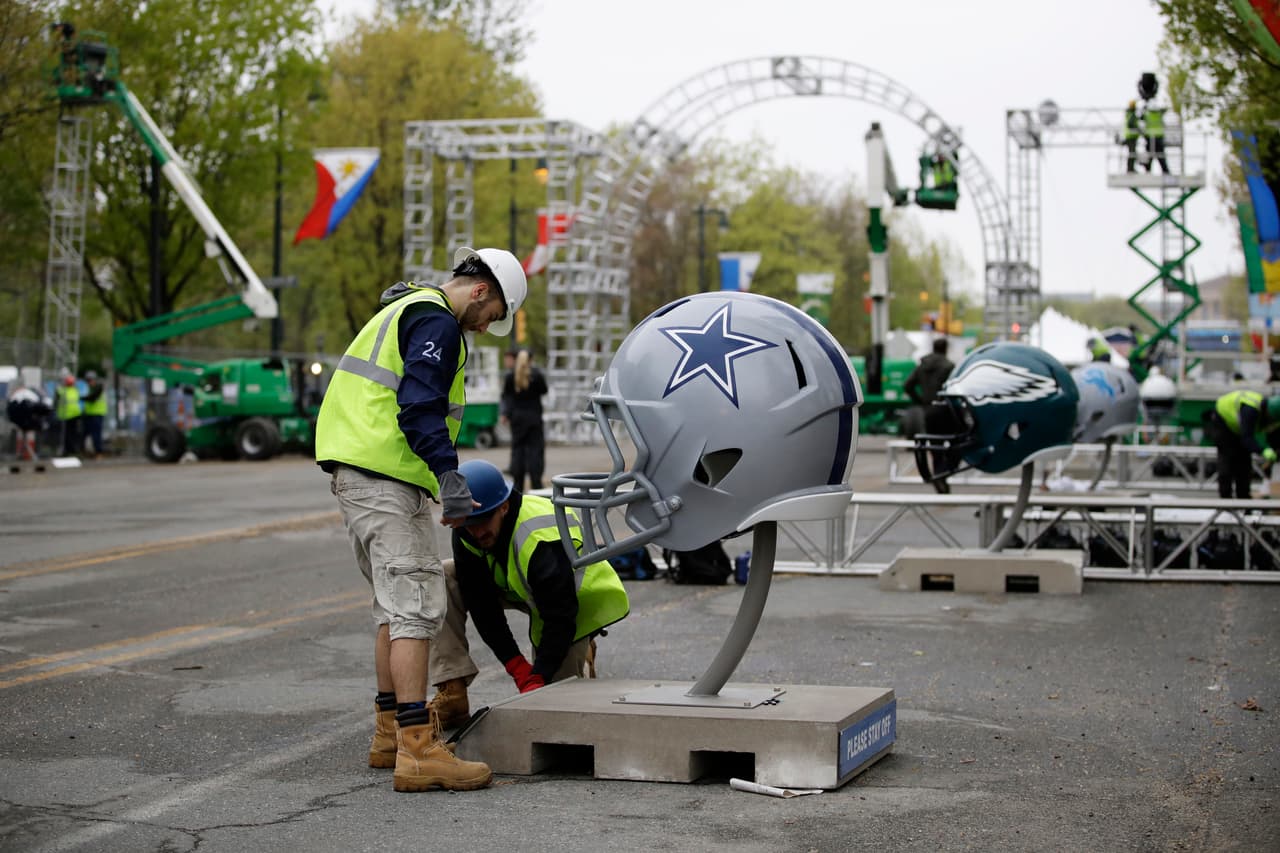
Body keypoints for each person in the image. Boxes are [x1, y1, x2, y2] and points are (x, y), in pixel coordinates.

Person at [314, 246, 527, 794]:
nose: (485, 327)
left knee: (392, 608)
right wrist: (448, 475)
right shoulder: (436, 321)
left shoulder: (404, 309)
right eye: (492, 315)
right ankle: (417, 749)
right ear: (480, 290)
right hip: (385, 477)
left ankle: (390, 733)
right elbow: (420, 406)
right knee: (414, 607)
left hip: (357, 471)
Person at [426, 459, 629, 729]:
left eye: (483, 522)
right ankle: (452, 690)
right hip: (517, 583)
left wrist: (540, 674)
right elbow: (482, 606)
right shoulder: (467, 528)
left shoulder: (541, 539)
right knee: (441, 576)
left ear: (504, 507)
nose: (476, 532)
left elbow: (559, 617)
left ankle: (582, 646)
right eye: (469, 523)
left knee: (555, 712)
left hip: (573, 599)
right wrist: (517, 667)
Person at [903, 337, 957, 493]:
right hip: (946, 410)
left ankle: (939, 476)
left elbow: (907, 385)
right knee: (956, 443)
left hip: (929, 411)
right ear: (945, 349)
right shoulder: (949, 366)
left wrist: (920, 401)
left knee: (935, 446)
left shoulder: (922, 366)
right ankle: (943, 473)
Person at [1205, 390, 1279, 499]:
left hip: (1240, 427)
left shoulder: (1273, 415)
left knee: (1244, 462)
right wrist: (1262, 450)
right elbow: (1247, 438)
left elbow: (1273, 435)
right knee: (1227, 460)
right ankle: (1226, 499)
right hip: (1223, 421)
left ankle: (1244, 497)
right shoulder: (1250, 411)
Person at [500, 349, 548, 491]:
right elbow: (544, 390)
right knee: (535, 450)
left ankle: (518, 484)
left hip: (517, 418)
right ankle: (536, 483)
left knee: (517, 450)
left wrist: (505, 414)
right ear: (530, 360)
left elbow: (506, 396)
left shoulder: (511, 376)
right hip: (534, 417)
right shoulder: (536, 375)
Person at [6, 383, 52, 461]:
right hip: (23, 416)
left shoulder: (20, 395)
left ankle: (22, 453)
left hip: (18, 416)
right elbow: (43, 409)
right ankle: (26, 453)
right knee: (41, 425)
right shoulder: (31, 396)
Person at [81, 370, 107, 459]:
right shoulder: (89, 389)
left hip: (97, 414)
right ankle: (86, 452)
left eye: (90, 380)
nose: (88, 382)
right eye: (87, 380)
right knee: (85, 434)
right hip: (89, 414)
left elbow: (92, 398)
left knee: (96, 434)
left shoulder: (99, 388)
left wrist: (82, 398)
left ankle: (98, 452)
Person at [54, 374, 82, 457]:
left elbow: (57, 395)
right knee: (71, 434)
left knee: (67, 435)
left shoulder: (63, 390)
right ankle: (71, 450)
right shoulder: (75, 390)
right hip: (73, 415)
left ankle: (69, 450)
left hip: (67, 415)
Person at [1143, 105, 1169, 174]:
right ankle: (1166, 172)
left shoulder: (1147, 115)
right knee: (1161, 158)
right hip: (1159, 138)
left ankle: (1147, 172)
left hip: (1150, 138)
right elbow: (1165, 109)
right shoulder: (1159, 114)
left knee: (1149, 158)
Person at [1122, 101, 1140, 173]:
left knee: (1132, 153)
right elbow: (1130, 124)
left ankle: (1131, 168)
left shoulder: (1129, 114)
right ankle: (1130, 169)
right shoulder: (1131, 114)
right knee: (1132, 153)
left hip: (1130, 136)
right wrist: (1138, 130)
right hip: (1131, 137)